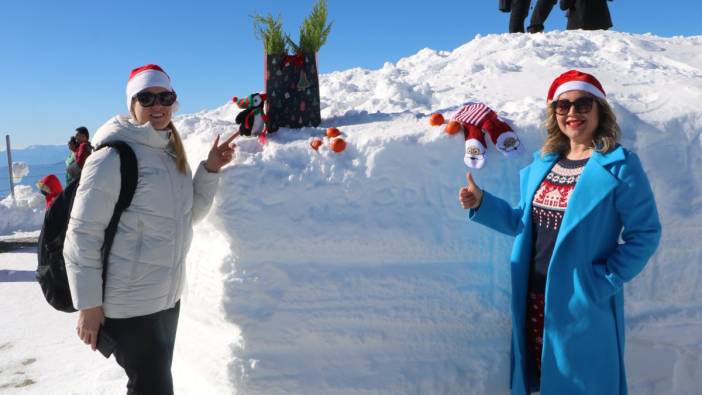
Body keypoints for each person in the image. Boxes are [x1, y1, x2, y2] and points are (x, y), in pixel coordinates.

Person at [458, 70, 661, 394]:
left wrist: (602, 279)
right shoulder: (543, 164)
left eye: (583, 104)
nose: (572, 113)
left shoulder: (620, 164)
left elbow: (646, 232)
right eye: (563, 106)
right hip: (536, 298)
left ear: (599, 111)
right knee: (543, 383)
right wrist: (482, 202)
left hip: (582, 300)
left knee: (583, 383)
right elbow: (521, 222)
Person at [63, 64, 238, 394]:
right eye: (146, 97)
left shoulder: (171, 154)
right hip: (129, 306)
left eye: (165, 96)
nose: (157, 105)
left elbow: (187, 217)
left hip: (166, 300)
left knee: (151, 385)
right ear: (132, 104)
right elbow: (82, 236)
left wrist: (210, 169)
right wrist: (88, 305)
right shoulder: (113, 157)